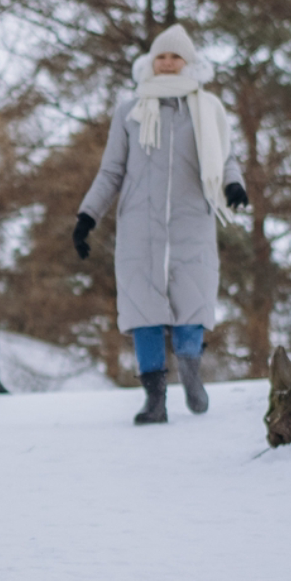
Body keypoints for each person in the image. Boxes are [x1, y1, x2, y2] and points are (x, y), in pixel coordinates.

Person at [75, 23, 249, 424]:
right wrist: (87, 216)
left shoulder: (207, 108)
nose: (168, 63)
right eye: (161, 56)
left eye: (175, 57)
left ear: (188, 62)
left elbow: (225, 157)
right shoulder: (130, 111)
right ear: (151, 62)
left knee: (193, 302)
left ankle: (190, 371)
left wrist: (234, 185)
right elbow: (111, 171)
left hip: (192, 222)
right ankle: (154, 399)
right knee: (143, 310)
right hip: (140, 227)